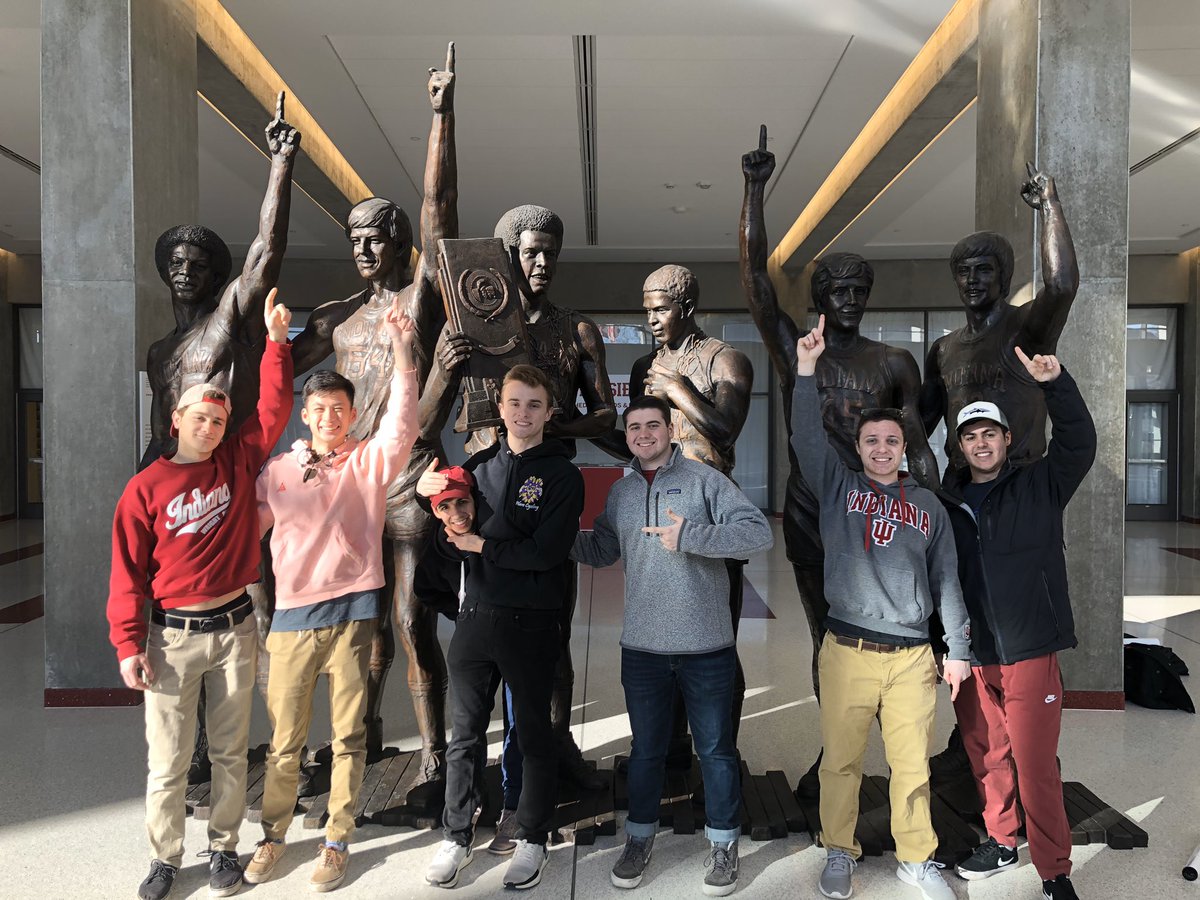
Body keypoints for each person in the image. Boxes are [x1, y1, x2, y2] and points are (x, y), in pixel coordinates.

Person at [289, 46, 458, 778]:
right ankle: (365, 737)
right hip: (350, 485)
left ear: (399, 242)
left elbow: (439, 213)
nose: (363, 248)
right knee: (365, 627)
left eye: (377, 236)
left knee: (412, 620)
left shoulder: (414, 301)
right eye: (354, 238)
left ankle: (436, 755)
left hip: (409, 480)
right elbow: (278, 377)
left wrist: (440, 116)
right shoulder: (335, 319)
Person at [739, 126, 938, 716]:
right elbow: (755, 285)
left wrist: (936, 509)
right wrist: (754, 189)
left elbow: (919, 445)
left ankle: (890, 742)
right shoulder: (797, 349)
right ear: (822, 298)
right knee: (827, 635)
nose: (849, 298)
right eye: (838, 290)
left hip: (879, 512)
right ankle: (836, 756)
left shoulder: (893, 361)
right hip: (812, 510)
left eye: (859, 289)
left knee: (886, 631)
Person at [107, 289, 294, 900]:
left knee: (232, 752)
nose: (211, 428)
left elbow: (272, 409)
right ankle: (164, 858)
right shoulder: (145, 489)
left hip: (236, 629)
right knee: (168, 760)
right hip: (171, 638)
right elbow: (127, 576)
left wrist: (275, 343)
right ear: (176, 422)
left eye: (218, 420)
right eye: (200, 419)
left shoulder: (238, 461)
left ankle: (222, 849)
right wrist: (127, 644)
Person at [422, 203, 615, 791]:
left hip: (548, 485)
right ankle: (466, 759)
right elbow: (437, 409)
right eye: (530, 252)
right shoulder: (476, 323)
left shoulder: (575, 329)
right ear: (506, 258)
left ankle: (553, 744)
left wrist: (550, 429)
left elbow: (605, 413)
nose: (540, 263)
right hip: (485, 484)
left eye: (550, 253)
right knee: (479, 623)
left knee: (552, 626)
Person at [791, 316, 971, 900]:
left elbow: (947, 581)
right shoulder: (839, 489)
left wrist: (958, 651)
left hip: (912, 657)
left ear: (904, 448)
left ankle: (917, 861)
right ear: (861, 448)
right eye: (872, 441)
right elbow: (806, 438)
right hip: (847, 650)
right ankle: (839, 850)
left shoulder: (930, 507)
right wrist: (805, 371)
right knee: (840, 764)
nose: (882, 449)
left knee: (911, 765)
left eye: (891, 441)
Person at [243, 305, 418, 892]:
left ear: (350, 416)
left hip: (353, 615)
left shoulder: (368, 461)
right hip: (293, 617)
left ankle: (336, 839)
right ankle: (273, 836)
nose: (328, 418)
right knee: (285, 740)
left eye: (339, 410)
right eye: (318, 410)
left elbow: (403, 423)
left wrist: (400, 350)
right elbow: (246, 533)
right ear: (306, 416)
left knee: (348, 736)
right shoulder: (278, 472)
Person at [572, 395, 773, 896]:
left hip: (707, 647)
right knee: (645, 752)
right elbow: (601, 548)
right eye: (635, 427)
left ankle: (723, 844)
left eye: (652, 425)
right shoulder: (620, 495)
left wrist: (692, 536)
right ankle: (639, 838)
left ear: (671, 427)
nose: (643, 435)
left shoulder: (705, 480)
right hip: (642, 648)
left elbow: (758, 533)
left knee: (716, 751)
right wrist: (552, 534)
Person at [419, 365, 585, 891]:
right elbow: (451, 533)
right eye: (515, 403)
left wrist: (485, 548)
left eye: (533, 405)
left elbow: (546, 553)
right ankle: (456, 835)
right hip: (475, 623)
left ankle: (532, 836)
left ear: (548, 413)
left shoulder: (562, 476)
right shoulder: (477, 467)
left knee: (534, 733)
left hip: (533, 623)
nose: (523, 413)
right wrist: (436, 505)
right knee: (463, 736)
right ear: (502, 406)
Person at [941, 348, 1095, 900]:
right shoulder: (949, 504)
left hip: (1031, 649)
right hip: (976, 653)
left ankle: (1054, 870)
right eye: (971, 436)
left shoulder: (1042, 485)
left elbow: (1079, 443)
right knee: (988, 757)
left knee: (1035, 767)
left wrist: (1058, 385)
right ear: (960, 447)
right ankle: (1003, 839)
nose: (981, 444)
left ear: (1007, 439)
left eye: (991, 434)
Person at [920, 164, 1079, 478]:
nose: (972, 280)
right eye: (964, 272)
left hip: (1018, 479)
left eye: (984, 270)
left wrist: (1050, 205)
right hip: (960, 483)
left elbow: (1061, 285)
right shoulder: (942, 350)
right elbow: (921, 424)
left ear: (1003, 278)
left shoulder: (1024, 328)